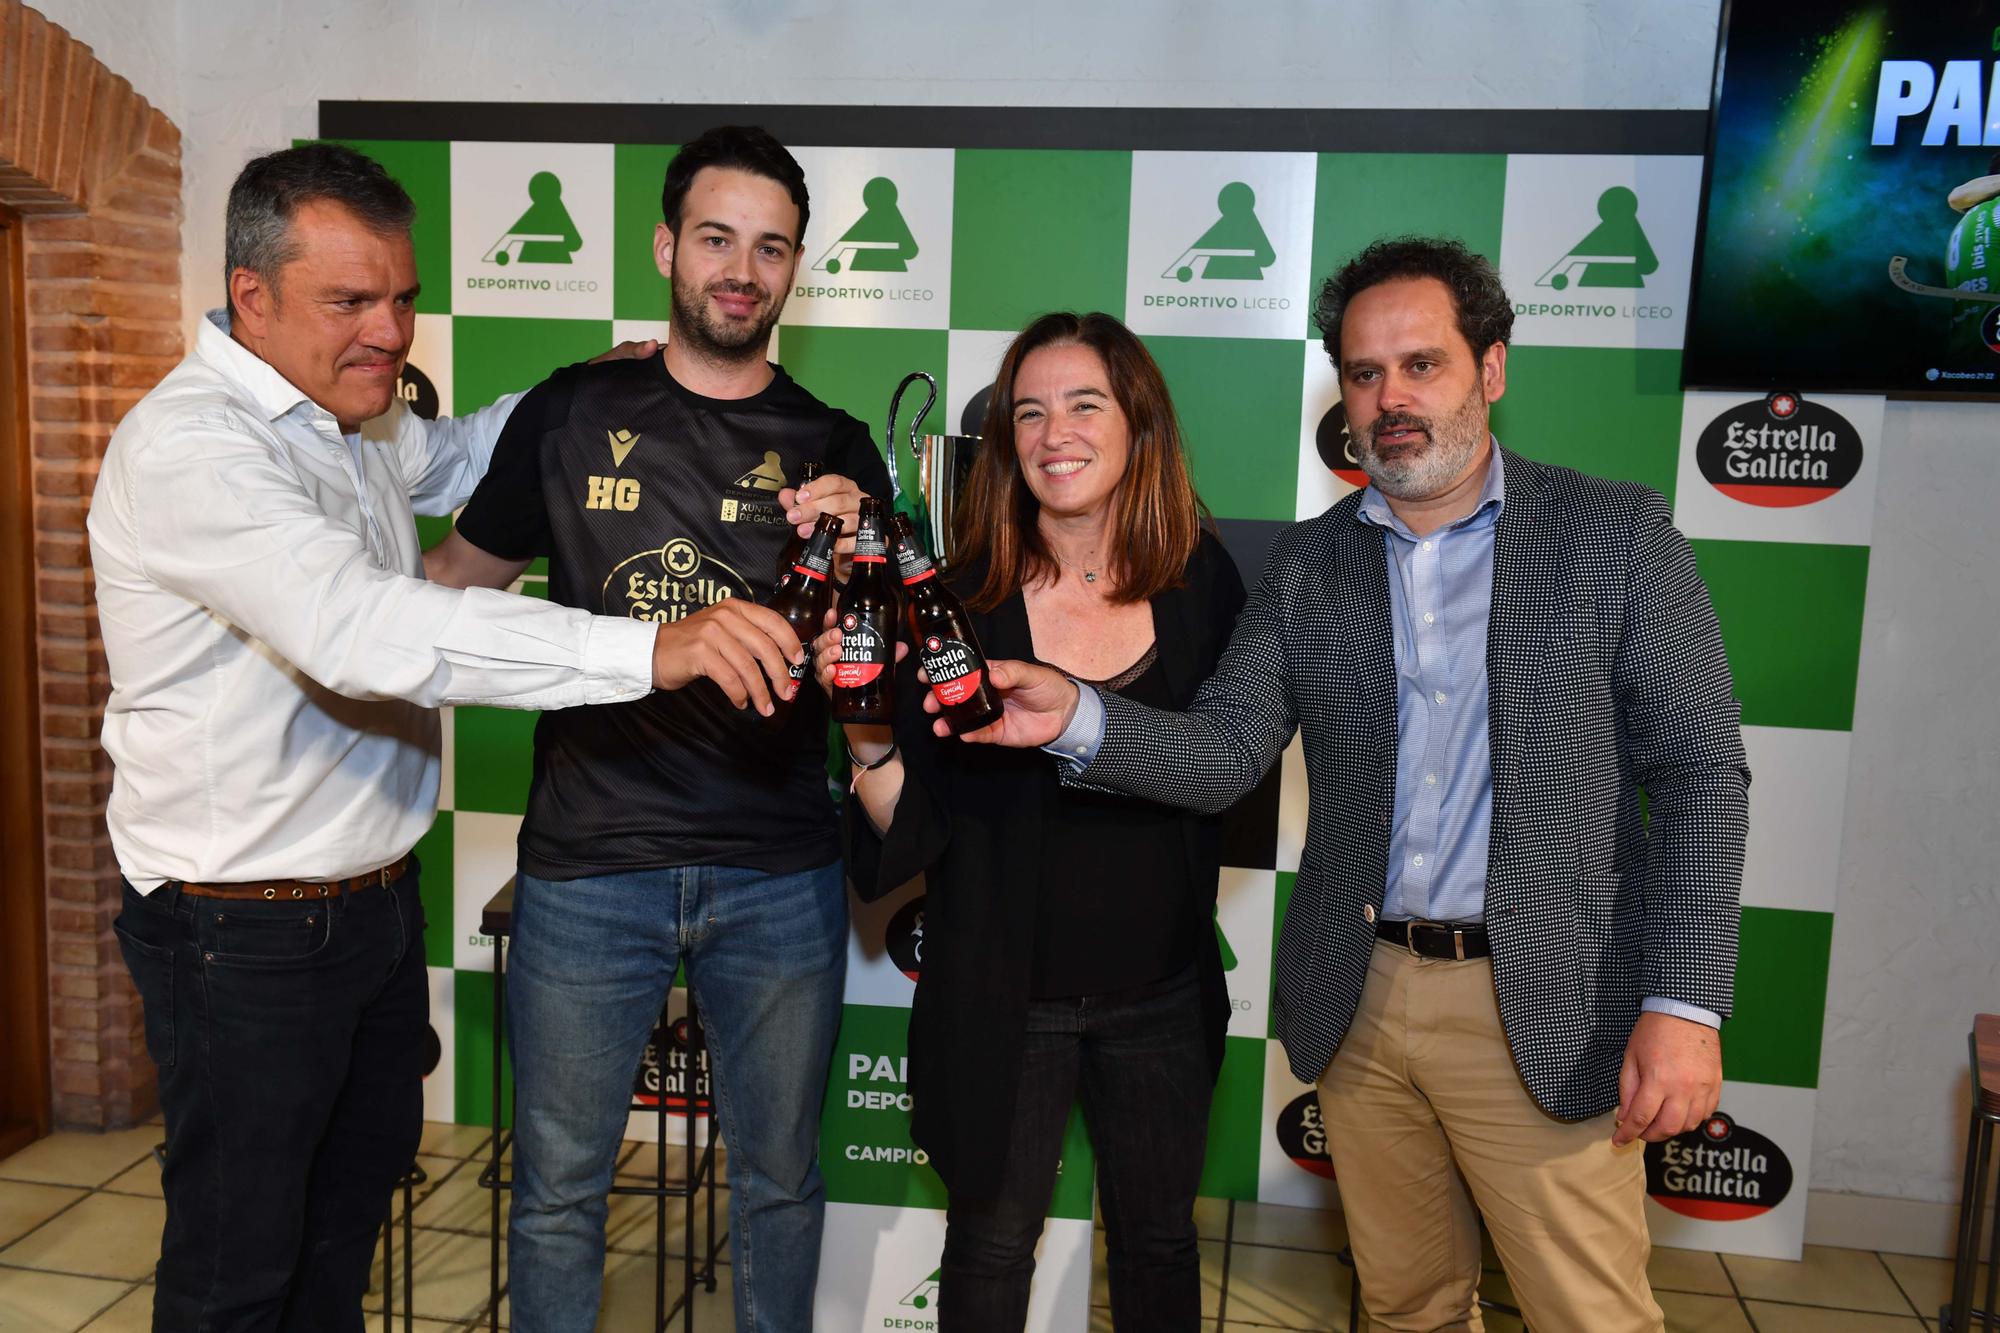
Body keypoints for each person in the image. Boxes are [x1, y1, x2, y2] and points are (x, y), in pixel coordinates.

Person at [946, 238, 1751, 1332]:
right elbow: (1225, 750)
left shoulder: (1611, 536)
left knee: (1588, 1314)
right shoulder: (1307, 565)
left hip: (1543, 1004)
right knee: (1406, 1307)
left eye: (1421, 364)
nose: (1391, 400)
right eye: (1365, 376)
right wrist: (1077, 714)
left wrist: (1682, 1002)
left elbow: (1699, 772)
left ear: (1492, 369)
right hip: (1361, 1004)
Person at [90, 143, 797, 1331]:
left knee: (337, 1234)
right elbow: (363, 630)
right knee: (235, 1269)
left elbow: (464, 452)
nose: (389, 332)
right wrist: (646, 649)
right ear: (250, 296)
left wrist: (595, 383)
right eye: (351, 302)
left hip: (365, 906)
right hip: (238, 930)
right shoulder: (195, 449)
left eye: (404, 298)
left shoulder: (346, 416)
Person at [422, 125, 891, 1332]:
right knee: (562, 1190)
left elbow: (880, 672)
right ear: (665, 247)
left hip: (779, 872)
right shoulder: (570, 413)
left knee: (780, 1183)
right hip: (588, 870)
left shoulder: (838, 446)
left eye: (771, 247)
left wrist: (865, 555)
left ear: (796, 270)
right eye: (718, 238)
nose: (742, 268)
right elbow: (446, 592)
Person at [817, 312, 1244, 1331]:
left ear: (1137, 423)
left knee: (1157, 1243)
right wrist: (865, 736)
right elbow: (911, 824)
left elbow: (1233, 770)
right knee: (991, 1245)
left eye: (1084, 404)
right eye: (1029, 412)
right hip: (1003, 996)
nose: (1056, 432)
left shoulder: (1204, 585)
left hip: (1162, 991)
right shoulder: (953, 601)